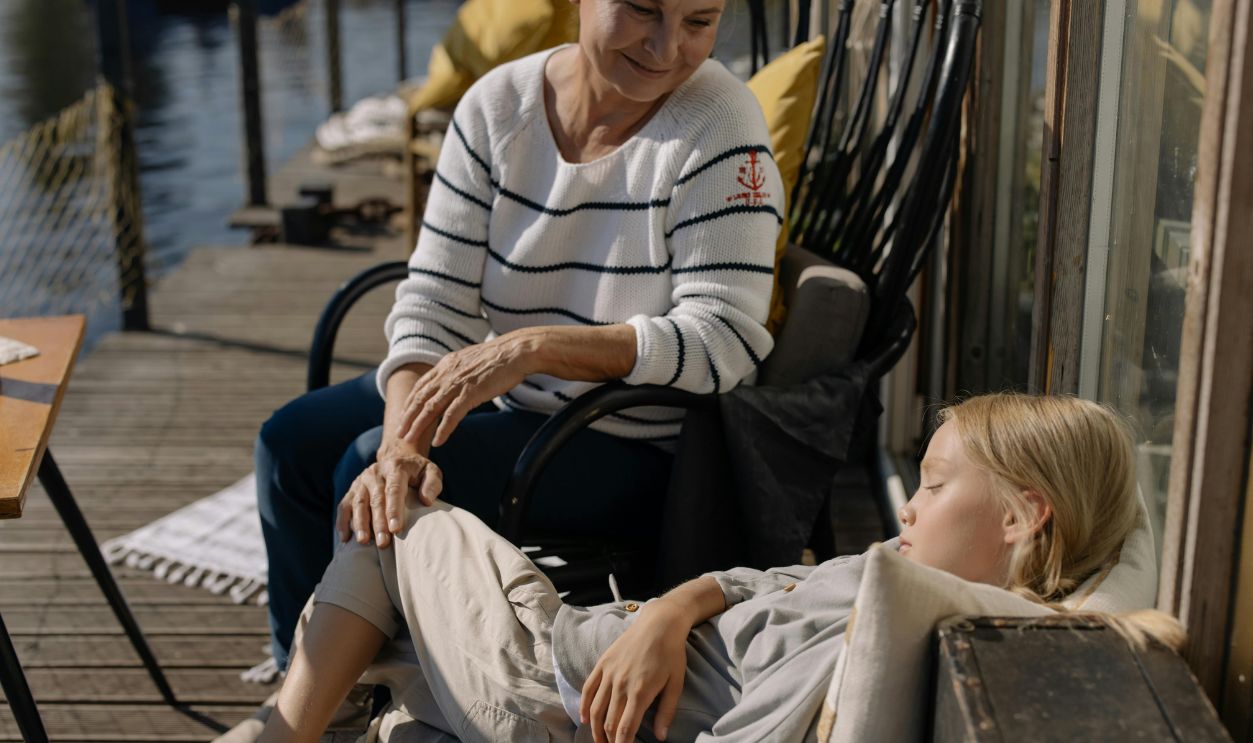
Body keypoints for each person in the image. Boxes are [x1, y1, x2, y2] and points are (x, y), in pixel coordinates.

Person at [254, 0, 785, 676]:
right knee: (291, 443)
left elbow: (724, 343)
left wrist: (535, 347)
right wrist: (402, 441)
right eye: (642, 11)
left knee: (361, 467)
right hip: (507, 399)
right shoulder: (497, 105)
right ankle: (305, 673)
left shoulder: (721, 123)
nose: (665, 47)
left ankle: (356, 687)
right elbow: (433, 302)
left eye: (698, 21)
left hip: (625, 436)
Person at [251, 392, 1165, 743]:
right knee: (404, 688)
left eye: (931, 484)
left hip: (553, 682)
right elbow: (763, 584)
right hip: (580, 639)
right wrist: (670, 611)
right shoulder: (899, 565)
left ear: (1020, 515)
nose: (910, 504)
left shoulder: (897, 620)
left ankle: (281, 732)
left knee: (390, 508)